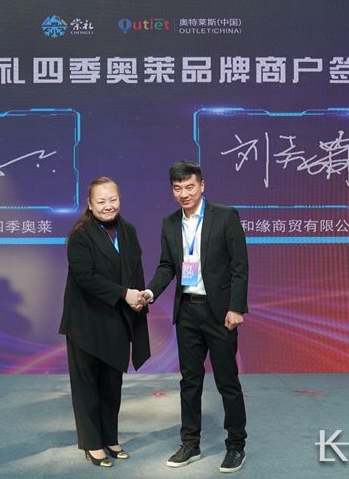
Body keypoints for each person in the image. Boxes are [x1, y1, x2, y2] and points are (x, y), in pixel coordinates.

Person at [141, 160, 248, 473]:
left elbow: (240, 266)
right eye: (178, 188)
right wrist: (150, 292)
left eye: (189, 186)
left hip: (220, 313)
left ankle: (236, 445)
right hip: (187, 311)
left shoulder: (225, 216)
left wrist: (236, 307)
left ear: (202, 185)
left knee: (227, 382)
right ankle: (190, 443)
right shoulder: (170, 223)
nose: (184, 193)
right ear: (172, 191)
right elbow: (167, 266)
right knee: (189, 382)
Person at [59, 176, 151, 468]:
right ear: (89, 204)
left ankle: (110, 437)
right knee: (87, 386)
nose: (108, 205)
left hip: (117, 319)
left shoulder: (128, 231)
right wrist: (124, 294)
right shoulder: (80, 235)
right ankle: (92, 443)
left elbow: (135, 270)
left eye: (113, 199)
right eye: (101, 201)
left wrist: (139, 296)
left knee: (112, 385)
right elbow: (85, 277)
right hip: (85, 322)